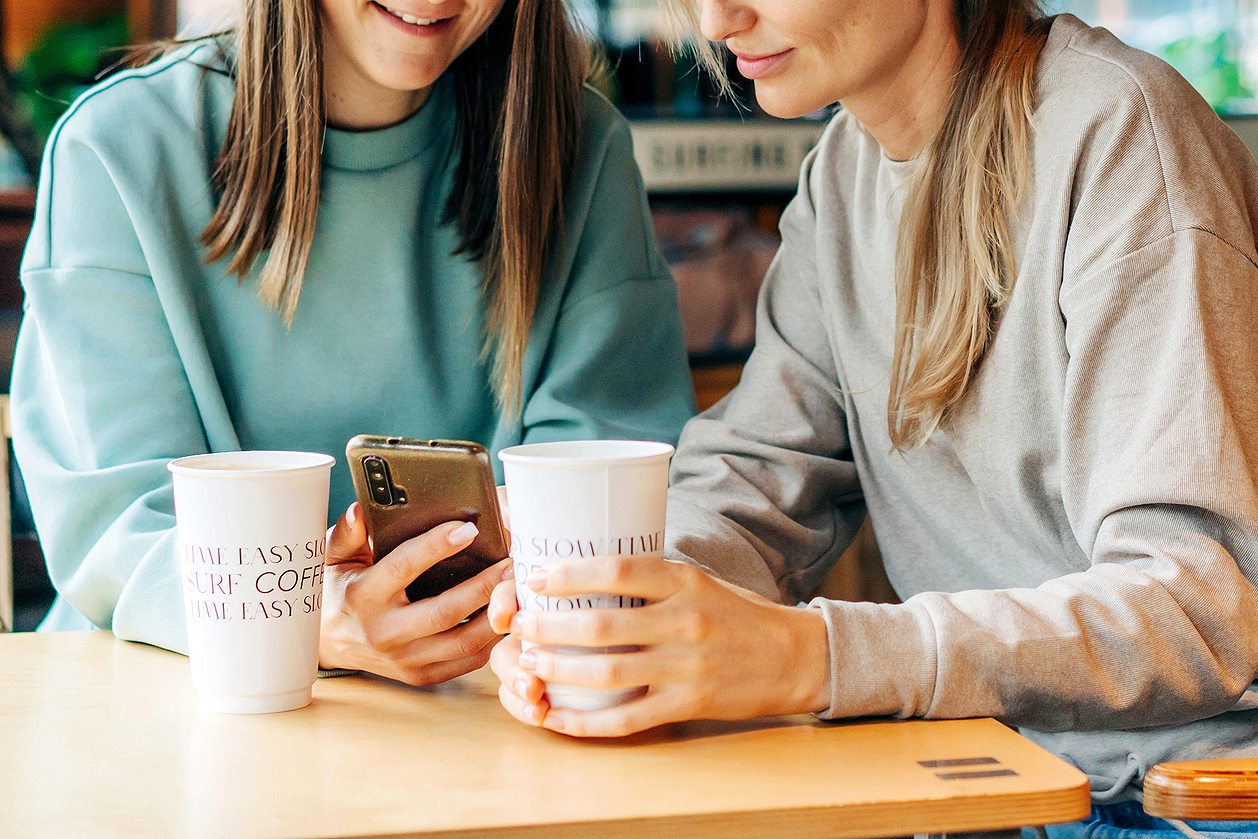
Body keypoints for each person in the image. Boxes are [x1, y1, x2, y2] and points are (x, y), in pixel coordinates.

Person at [488, 1, 1258, 835]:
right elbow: (755, 476)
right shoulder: (843, 174)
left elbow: (1204, 604)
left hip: (1171, 803)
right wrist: (623, 613)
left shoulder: (1120, 136)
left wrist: (819, 658)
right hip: (988, 782)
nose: (717, 22)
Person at [11, 0, 695, 685]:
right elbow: (121, 532)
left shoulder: (581, 147)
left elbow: (603, 510)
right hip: (168, 700)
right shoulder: (117, 146)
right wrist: (303, 614)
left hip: (491, 707)